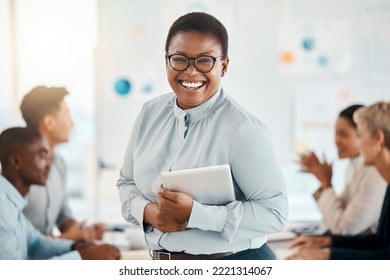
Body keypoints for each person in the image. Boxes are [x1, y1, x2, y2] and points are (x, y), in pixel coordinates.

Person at [117, 12, 288, 260]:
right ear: (167, 61)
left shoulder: (244, 129)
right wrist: (148, 212)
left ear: (224, 66)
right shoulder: (149, 113)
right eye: (180, 59)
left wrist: (196, 214)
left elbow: (275, 213)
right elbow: (126, 183)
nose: (191, 72)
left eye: (205, 61)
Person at [287, 100, 390, 259]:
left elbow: (346, 229)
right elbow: (379, 243)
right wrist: (325, 243)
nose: (360, 143)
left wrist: (327, 255)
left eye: (360, 135)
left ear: (378, 138)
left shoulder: (377, 177)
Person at [0, 127, 120, 259]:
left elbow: (36, 243)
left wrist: (74, 247)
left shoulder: (12, 202)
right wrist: (82, 257)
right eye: (41, 156)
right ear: (16, 162)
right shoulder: (2, 207)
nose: (49, 165)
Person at [20, 86, 105, 241]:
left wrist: (79, 231)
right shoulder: (17, 169)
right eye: (67, 114)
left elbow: (63, 213)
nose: (71, 123)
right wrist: (67, 239)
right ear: (49, 122)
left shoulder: (59, 163)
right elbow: (16, 238)